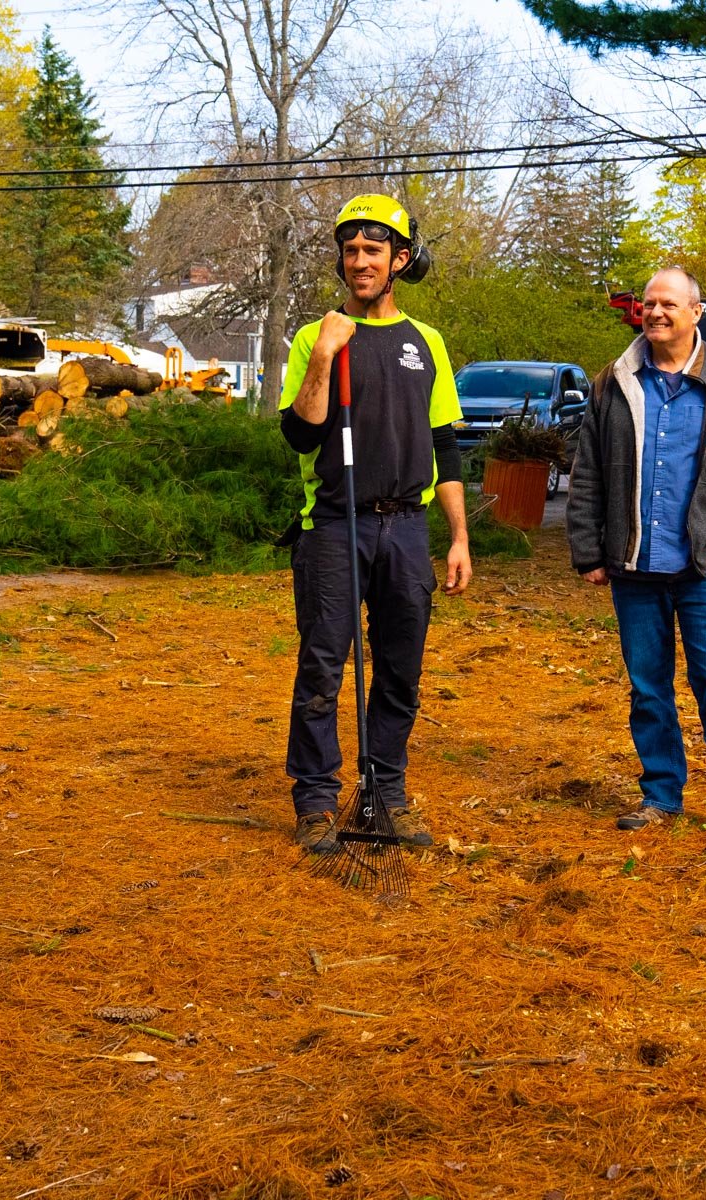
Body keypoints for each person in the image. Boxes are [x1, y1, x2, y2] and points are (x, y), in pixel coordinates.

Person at [278, 194, 472, 853]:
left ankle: (386, 792)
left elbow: (445, 444)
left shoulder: (428, 343)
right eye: (350, 250)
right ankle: (314, 802)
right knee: (325, 666)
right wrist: (326, 357)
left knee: (399, 669)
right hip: (335, 524)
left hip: (407, 528)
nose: (358, 261)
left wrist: (459, 538)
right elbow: (299, 437)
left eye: (373, 250)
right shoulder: (316, 336)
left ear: (400, 260)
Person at [567, 267, 706, 843]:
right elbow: (587, 472)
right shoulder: (615, 381)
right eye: (649, 304)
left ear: (696, 312)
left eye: (669, 305)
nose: (656, 313)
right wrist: (589, 549)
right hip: (634, 565)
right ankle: (661, 795)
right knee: (649, 687)